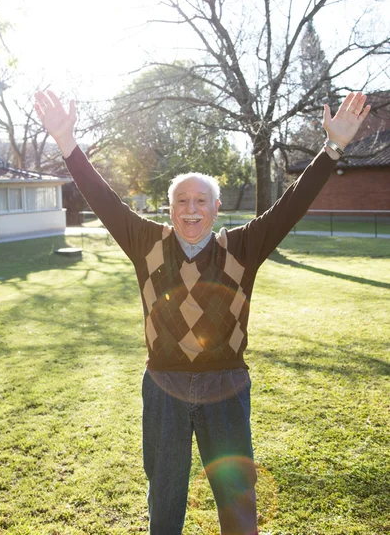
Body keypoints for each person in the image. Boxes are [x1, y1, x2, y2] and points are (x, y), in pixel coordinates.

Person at [34, 91, 370, 535]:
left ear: (216, 207)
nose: (191, 210)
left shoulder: (242, 246)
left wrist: (332, 149)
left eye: (201, 201)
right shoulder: (146, 242)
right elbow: (103, 198)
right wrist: (66, 142)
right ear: (170, 210)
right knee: (166, 497)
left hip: (226, 385)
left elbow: (292, 204)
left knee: (236, 498)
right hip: (163, 386)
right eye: (182, 202)